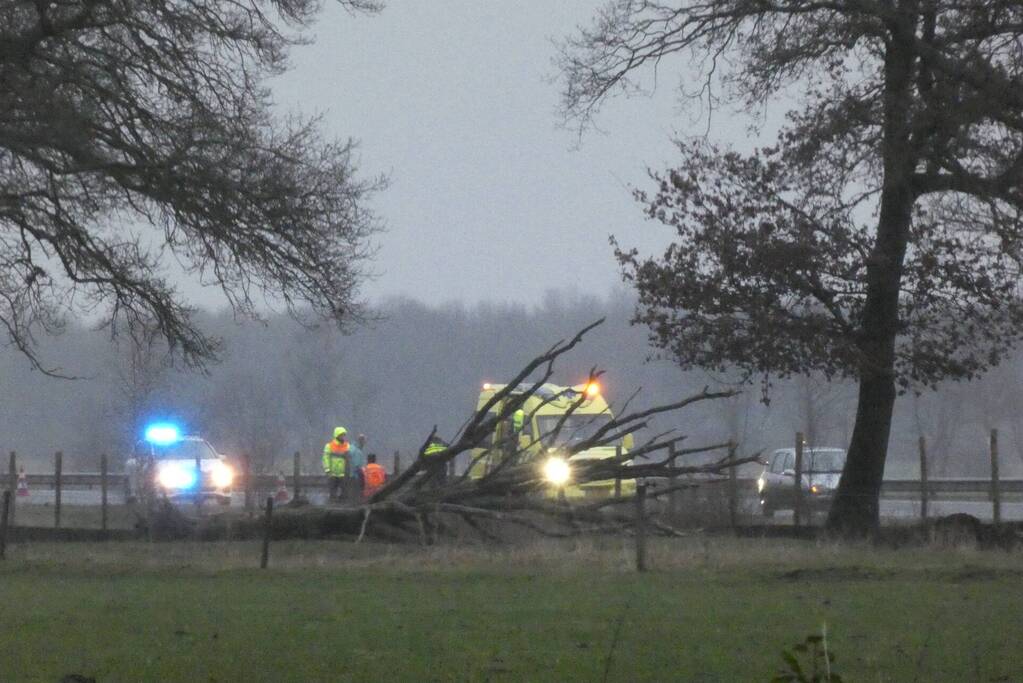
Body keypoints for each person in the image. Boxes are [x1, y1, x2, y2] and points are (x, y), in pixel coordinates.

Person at [322, 426, 350, 501]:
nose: (343, 437)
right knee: (332, 493)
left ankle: (343, 507)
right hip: (332, 473)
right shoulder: (329, 446)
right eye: (341, 435)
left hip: (343, 474)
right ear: (336, 435)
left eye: (344, 435)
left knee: (344, 494)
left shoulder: (347, 445)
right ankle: (332, 506)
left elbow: (350, 459)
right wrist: (327, 469)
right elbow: (325, 458)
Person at [348, 433, 368, 500]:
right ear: (360, 441)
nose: (364, 444)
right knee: (356, 494)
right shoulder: (357, 451)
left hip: (350, 475)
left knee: (352, 493)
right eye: (363, 441)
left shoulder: (352, 448)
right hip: (355, 476)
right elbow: (357, 466)